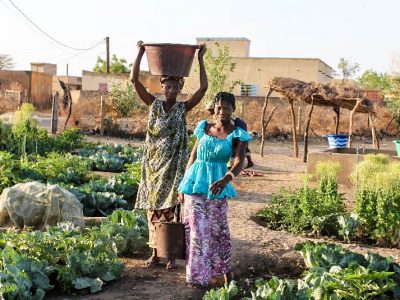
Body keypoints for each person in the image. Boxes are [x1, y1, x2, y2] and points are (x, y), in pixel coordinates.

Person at [130, 41, 208, 269]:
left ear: (180, 89)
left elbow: (203, 89)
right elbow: (134, 80)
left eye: (176, 88)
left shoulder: (182, 108)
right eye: (168, 87)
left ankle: (171, 254)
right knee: (152, 209)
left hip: (173, 167)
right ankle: (155, 252)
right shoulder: (153, 104)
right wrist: (141, 52)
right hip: (153, 168)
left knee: (172, 209)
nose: (172, 90)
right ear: (162, 88)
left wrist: (201, 60)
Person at [178, 92, 252, 287]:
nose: (222, 111)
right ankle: (198, 278)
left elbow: (239, 162)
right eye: (219, 107)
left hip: (218, 188)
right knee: (197, 232)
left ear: (232, 109)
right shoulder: (204, 127)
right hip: (194, 186)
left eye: (226, 108)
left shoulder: (237, 133)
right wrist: (183, 183)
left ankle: (225, 271)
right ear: (214, 108)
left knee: (219, 232)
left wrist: (226, 179)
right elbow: (193, 158)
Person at [206, 102, 254, 168]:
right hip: (240, 123)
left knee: (237, 144)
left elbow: (228, 127)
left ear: (213, 108)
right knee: (242, 145)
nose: (210, 113)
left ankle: (234, 165)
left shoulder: (224, 115)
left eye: (210, 111)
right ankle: (248, 161)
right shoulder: (220, 114)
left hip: (239, 125)